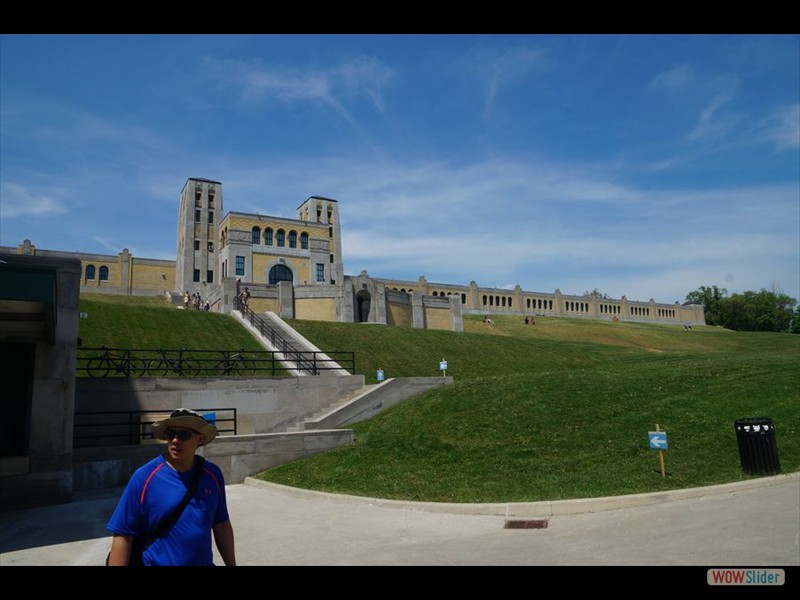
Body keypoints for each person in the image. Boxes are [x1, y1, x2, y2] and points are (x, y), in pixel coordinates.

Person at [106, 408, 236, 566]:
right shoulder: (144, 477)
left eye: (183, 435)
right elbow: (123, 535)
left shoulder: (213, 474)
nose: (175, 440)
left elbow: (221, 523)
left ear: (199, 439)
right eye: (170, 434)